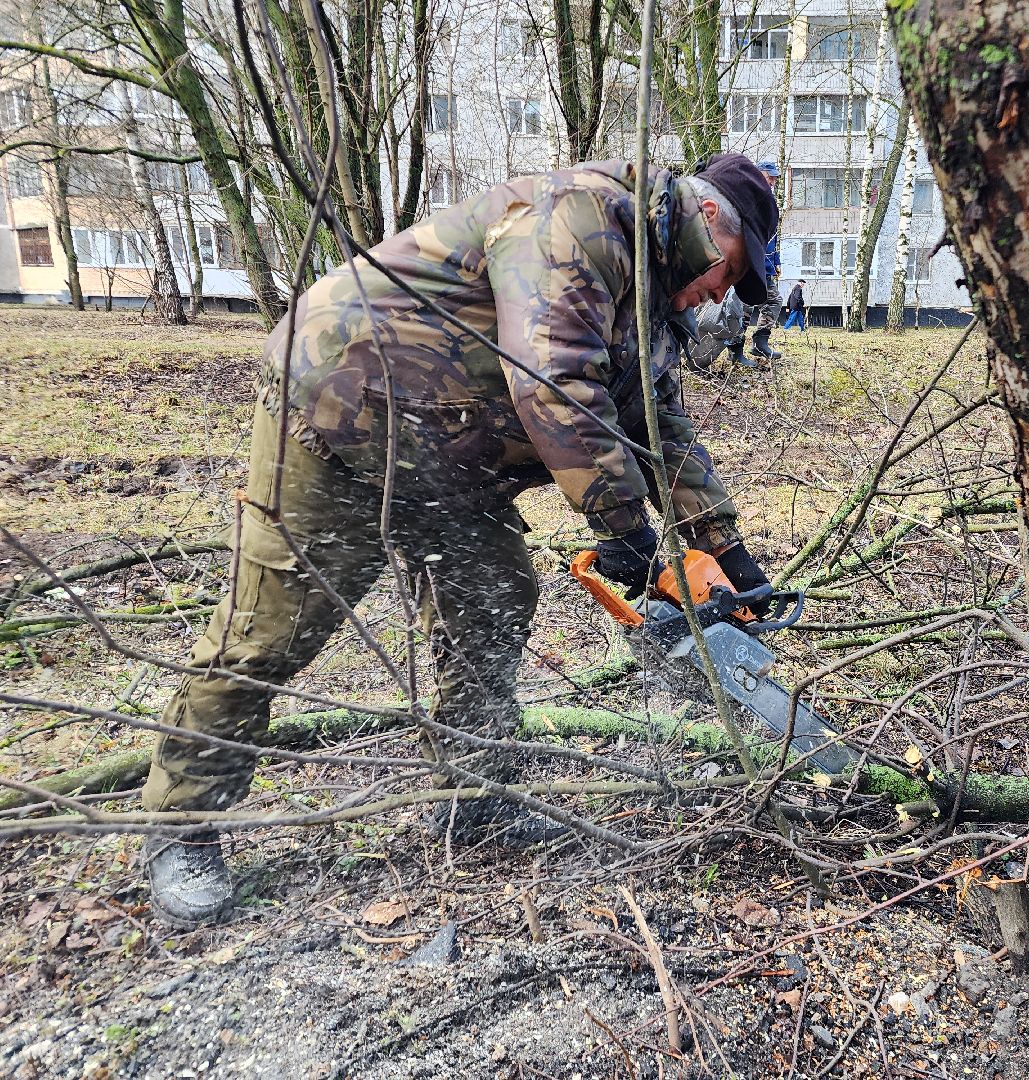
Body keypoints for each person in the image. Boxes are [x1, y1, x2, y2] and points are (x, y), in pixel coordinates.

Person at [140, 154, 780, 925]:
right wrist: (625, 530)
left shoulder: (652, 303)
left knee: (496, 594)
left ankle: (474, 797)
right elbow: (552, 377)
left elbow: (659, 423)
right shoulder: (580, 217)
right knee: (272, 631)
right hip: (345, 415)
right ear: (711, 222)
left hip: (451, 459)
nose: (720, 295)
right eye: (729, 276)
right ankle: (180, 825)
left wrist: (724, 546)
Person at [741, 160, 784, 364]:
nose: (774, 180)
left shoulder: (769, 199)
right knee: (745, 305)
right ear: (759, 175)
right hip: (749, 263)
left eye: (775, 177)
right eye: (771, 176)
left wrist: (776, 260)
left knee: (774, 300)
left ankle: (760, 343)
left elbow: (772, 236)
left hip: (765, 265)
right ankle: (735, 348)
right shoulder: (750, 197)